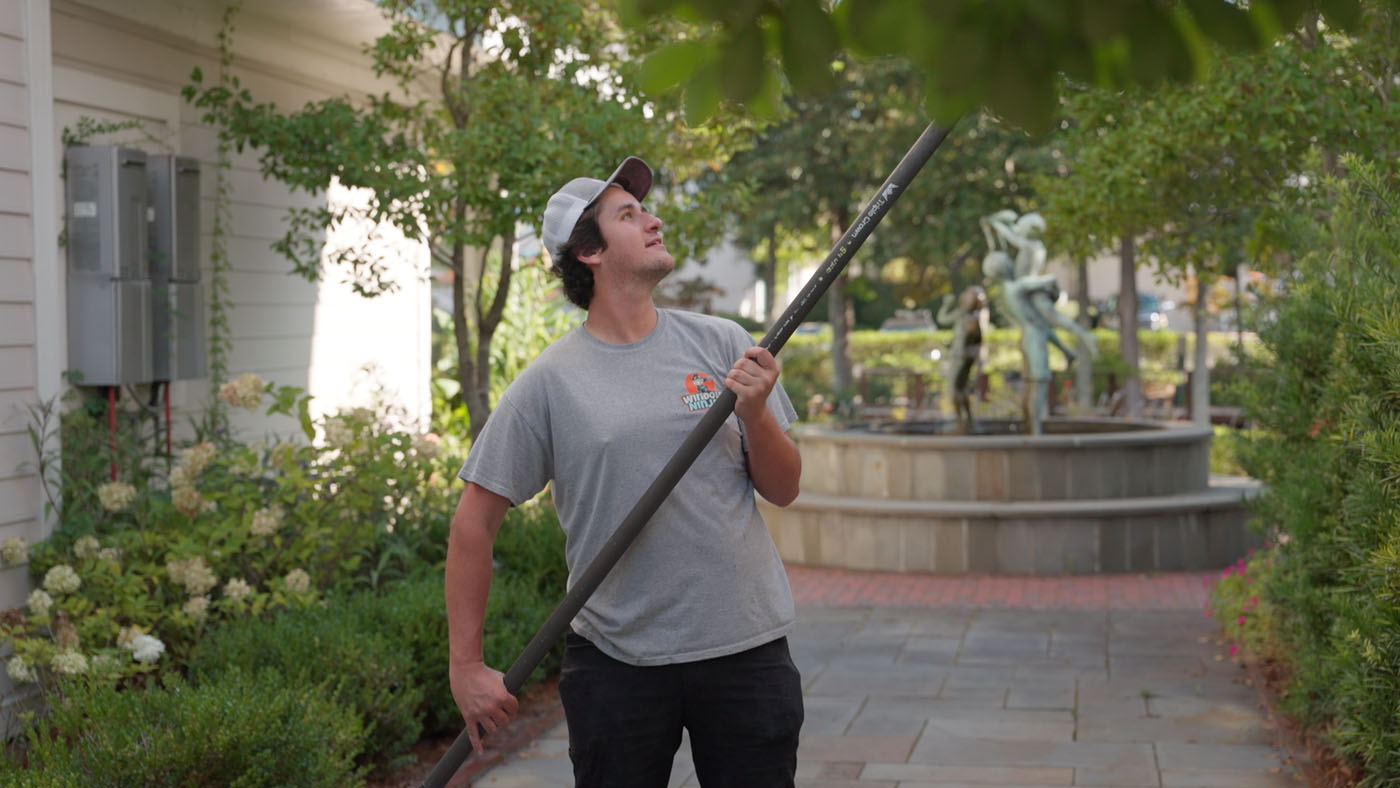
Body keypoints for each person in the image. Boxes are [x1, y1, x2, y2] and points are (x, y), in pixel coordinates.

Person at [446, 156, 805, 787]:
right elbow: (474, 522)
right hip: (618, 662)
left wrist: (757, 415)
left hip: (746, 649)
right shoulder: (549, 383)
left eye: (645, 209)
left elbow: (784, 488)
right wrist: (466, 667)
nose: (653, 219)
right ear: (587, 251)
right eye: (629, 214)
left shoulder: (721, 343)